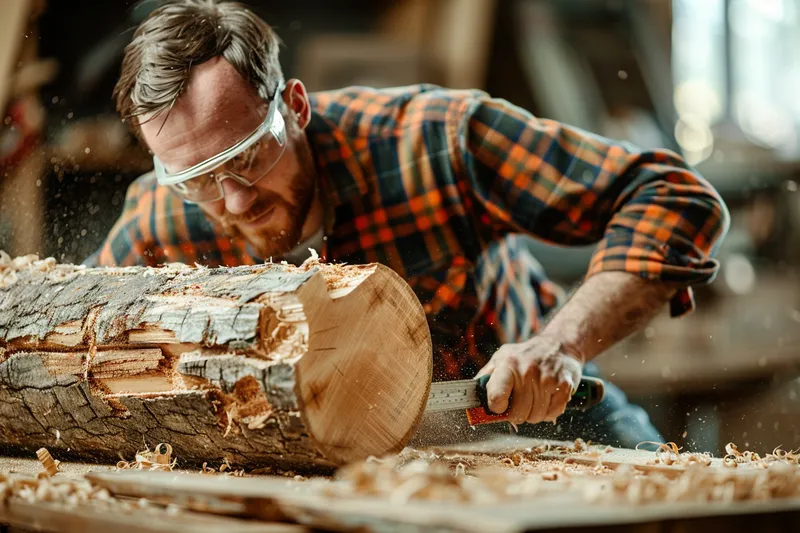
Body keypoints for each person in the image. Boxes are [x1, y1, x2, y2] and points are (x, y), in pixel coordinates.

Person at [85, 0, 729, 447]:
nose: (233, 201)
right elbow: (72, 347)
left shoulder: (435, 141)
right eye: (197, 179)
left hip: (525, 414)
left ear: (296, 106)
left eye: (249, 157)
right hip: (316, 453)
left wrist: (560, 346)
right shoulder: (159, 219)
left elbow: (672, 194)